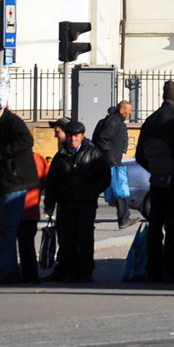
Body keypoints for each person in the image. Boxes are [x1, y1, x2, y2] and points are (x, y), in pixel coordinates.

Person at [134, 80, 174, 284]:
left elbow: (140, 155)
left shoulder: (149, 121)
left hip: (156, 181)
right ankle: (172, 269)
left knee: (154, 225)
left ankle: (153, 270)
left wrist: (155, 170)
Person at [0, 96, 39, 286]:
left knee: (6, 229)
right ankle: (7, 268)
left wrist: (4, 152)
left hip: (15, 183)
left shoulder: (12, 121)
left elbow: (26, 140)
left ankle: (8, 272)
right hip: (0, 185)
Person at [42, 121, 111, 283]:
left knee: (85, 239)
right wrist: (49, 204)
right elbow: (51, 182)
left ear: (82, 136)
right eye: (71, 136)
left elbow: (105, 176)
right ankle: (70, 272)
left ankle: (86, 272)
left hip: (86, 204)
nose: (73, 139)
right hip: (65, 204)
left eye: (76, 136)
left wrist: (92, 192)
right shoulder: (60, 156)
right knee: (67, 240)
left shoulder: (93, 154)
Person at [93, 100, 136, 228]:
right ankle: (124, 219)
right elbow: (102, 138)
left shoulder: (118, 121)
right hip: (111, 162)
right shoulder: (114, 121)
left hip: (113, 161)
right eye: (129, 110)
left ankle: (124, 218)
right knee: (119, 191)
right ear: (123, 110)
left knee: (117, 191)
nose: (130, 113)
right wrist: (110, 156)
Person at [17, 150, 50, 285]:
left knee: (5, 241)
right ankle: (31, 275)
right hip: (31, 207)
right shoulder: (37, 158)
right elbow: (45, 179)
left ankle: (6, 271)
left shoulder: (13, 157)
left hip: (19, 207)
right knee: (27, 245)